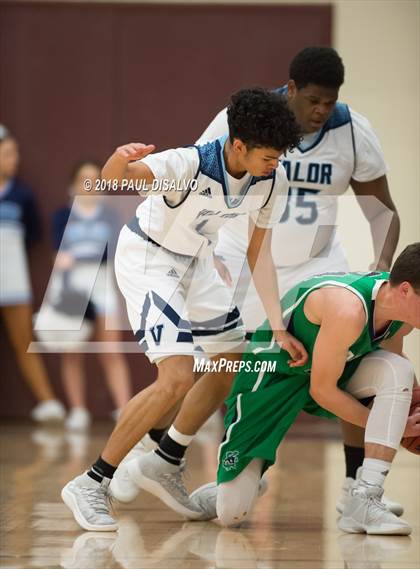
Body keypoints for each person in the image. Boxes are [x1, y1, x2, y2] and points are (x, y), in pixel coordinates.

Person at [114, 46, 402, 516]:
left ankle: (357, 489)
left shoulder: (352, 131)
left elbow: (384, 208)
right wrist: (204, 248)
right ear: (290, 89)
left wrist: (381, 264)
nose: (320, 111)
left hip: (317, 269)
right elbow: (200, 180)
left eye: (329, 102)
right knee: (221, 367)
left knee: (353, 358)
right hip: (241, 259)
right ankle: (159, 453)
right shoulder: (239, 120)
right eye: (312, 100)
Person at [61, 87, 308, 531]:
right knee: (176, 376)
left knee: (231, 358)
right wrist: (118, 158)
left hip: (197, 261)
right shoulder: (187, 165)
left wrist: (276, 325)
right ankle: (92, 482)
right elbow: (113, 182)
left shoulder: (272, 179)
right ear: (238, 146)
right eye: (269, 156)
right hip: (149, 258)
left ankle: (167, 458)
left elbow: (259, 254)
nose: (276, 164)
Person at [189, 243, 420, 535]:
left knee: (398, 370)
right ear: (405, 290)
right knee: (231, 513)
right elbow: (322, 391)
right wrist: (394, 428)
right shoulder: (348, 310)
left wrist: (408, 412)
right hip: (274, 376)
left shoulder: (401, 318)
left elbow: (395, 370)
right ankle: (234, 482)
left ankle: (364, 499)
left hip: (327, 370)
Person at [51, 161, 132, 430]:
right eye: (84, 179)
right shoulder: (63, 215)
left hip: (103, 283)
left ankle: (124, 409)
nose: (90, 185)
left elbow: (117, 252)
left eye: (96, 180)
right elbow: (57, 254)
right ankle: (78, 410)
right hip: (73, 286)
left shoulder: (110, 216)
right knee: (72, 351)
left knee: (110, 350)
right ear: (73, 185)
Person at [0, 125, 65, 422]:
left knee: (24, 341)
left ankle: (48, 403)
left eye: (15, 153)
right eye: (8, 153)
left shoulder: (22, 195)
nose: (14, 159)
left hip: (13, 279)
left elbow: (34, 233)